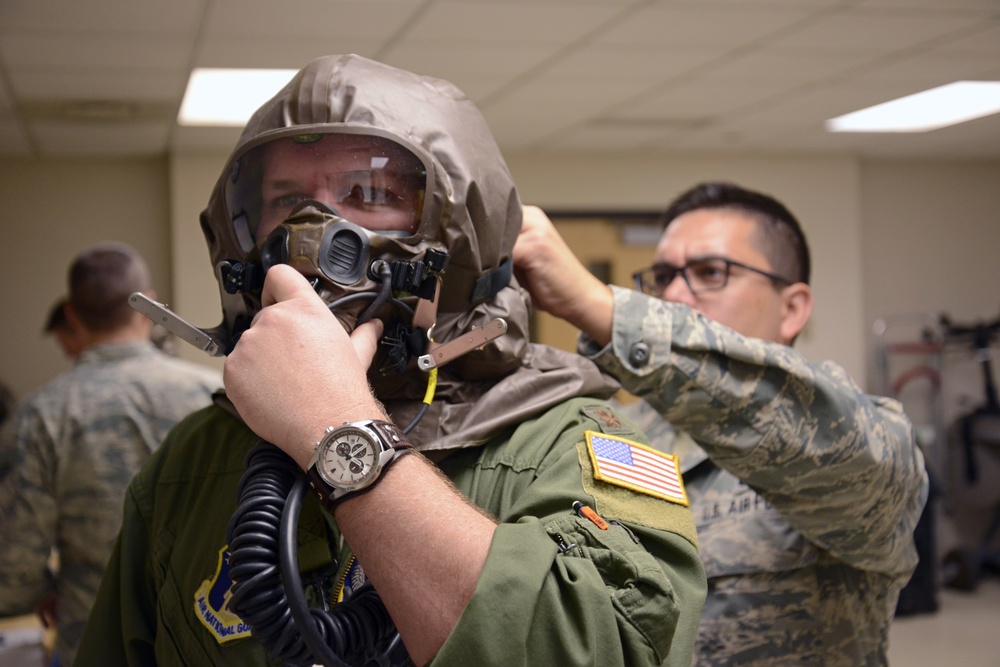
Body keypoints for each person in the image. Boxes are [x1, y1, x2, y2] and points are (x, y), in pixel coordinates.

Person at [76, 54, 706, 667]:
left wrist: (335, 422)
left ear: (457, 234)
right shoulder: (195, 456)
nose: (310, 232)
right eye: (285, 197)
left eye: (368, 192)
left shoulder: (574, 444)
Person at [512, 183, 929, 666]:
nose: (672, 295)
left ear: (792, 307)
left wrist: (603, 308)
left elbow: (836, 449)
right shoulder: (615, 433)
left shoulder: (857, 440)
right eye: (664, 275)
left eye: (710, 272)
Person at [0, 242, 223, 667]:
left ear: (71, 313)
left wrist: (47, 590)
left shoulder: (41, 417)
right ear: (150, 307)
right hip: (206, 644)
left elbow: (11, 569)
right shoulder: (214, 397)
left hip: (96, 644)